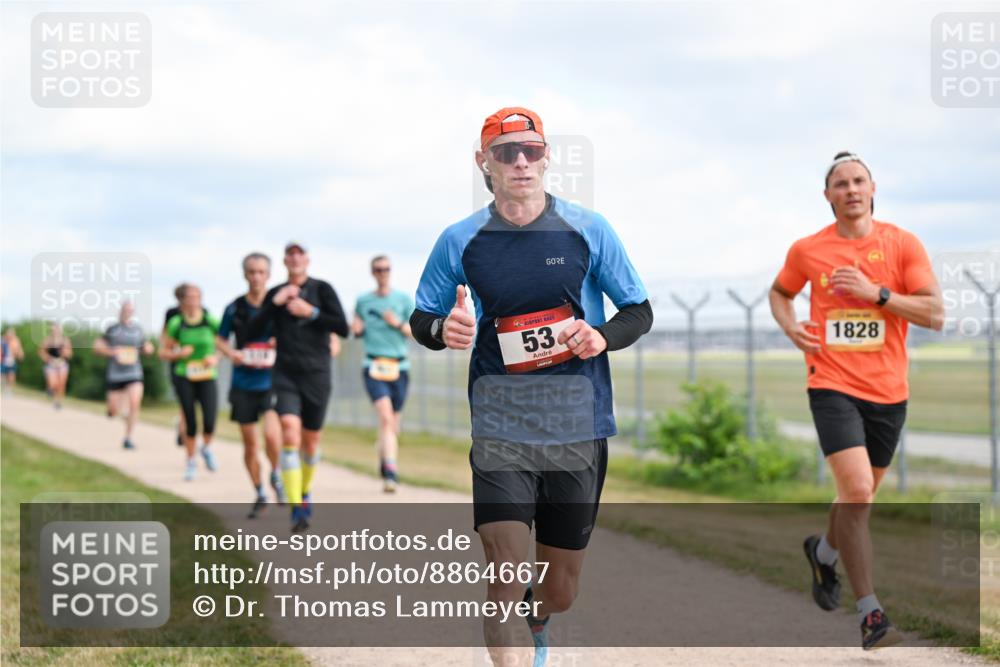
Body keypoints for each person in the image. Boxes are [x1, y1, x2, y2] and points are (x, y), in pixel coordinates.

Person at [410, 107, 652, 667]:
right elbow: (421, 316)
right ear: (483, 163)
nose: (521, 161)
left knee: (560, 589)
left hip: (577, 426)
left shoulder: (589, 229)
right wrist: (440, 328)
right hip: (499, 426)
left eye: (532, 151)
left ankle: (538, 616)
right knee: (504, 570)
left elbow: (638, 310)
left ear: (547, 158)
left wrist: (602, 336)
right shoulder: (460, 240)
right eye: (505, 152)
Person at [769, 151, 944, 651]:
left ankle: (823, 553)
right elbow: (780, 293)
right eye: (840, 183)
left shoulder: (901, 243)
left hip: (889, 392)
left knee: (856, 501)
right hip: (831, 383)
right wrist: (790, 326)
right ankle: (871, 614)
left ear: (872, 188)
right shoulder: (808, 250)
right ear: (828, 196)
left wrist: (878, 294)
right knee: (859, 489)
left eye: (858, 181)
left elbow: (935, 313)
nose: (850, 189)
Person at [244, 241, 349, 532]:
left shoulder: (322, 289)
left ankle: (304, 491)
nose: (294, 258)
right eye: (289, 254)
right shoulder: (275, 294)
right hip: (285, 374)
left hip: (317, 374)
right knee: (289, 431)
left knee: (311, 441)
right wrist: (274, 304)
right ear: (284, 261)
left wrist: (310, 312)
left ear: (307, 259)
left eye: (299, 253)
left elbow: (342, 327)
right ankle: (296, 506)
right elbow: (251, 333)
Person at [217, 252, 286, 518]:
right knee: (249, 444)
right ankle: (259, 491)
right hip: (243, 382)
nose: (256, 277)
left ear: (268, 275)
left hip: (271, 380)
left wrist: (279, 343)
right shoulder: (234, 308)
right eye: (252, 272)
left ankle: (276, 474)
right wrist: (230, 353)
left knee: (271, 435)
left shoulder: (278, 305)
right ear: (245, 274)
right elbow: (220, 339)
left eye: (261, 272)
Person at [352, 254, 415, 492]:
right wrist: (356, 329)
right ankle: (391, 472)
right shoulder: (363, 301)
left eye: (386, 269)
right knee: (386, 417)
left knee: (392, 424)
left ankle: (383, 458)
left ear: (391, 271)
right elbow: (356, 326)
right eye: (378, 269)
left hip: (399, 366)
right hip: (373, 365)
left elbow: (414, 332)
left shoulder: (403, 300)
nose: (382, 273)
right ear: (372, 272)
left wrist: (396, 323)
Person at [160, 284, 221, 481]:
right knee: (190, 420)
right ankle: (191, 461)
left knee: (210, 419)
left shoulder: (209, 319)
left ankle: (207, 448)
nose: (195, 300)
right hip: (184, 374)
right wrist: (179, 353)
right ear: (182, 301)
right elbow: (164, 351)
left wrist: (216, 357)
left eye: (198, 296)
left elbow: (223, 342)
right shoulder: (177, 322)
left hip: (206, 373)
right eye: (191, 297)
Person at [94, 302, 154, 450]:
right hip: (115, 374)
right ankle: (115, 411)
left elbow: (147, 346)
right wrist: (113, 352)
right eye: (125, 310)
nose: (127, 313)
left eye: (130, 310)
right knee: (114, 411)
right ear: (120, 311)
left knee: (134, 403)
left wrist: (147, 349)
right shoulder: (112, 329)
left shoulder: (137, 330)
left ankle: (128, 438)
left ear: (133, 312)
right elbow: (97, 347)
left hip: (134, 372)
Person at [39, 322, 72, 409]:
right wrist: (47, 358)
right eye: (53, 329)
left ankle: (58, 402)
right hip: (51, 364)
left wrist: (66, 353)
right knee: (53, 383)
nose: (55, 331)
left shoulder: (65, 340)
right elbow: (41, 351)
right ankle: (50, 390)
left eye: (57, 329)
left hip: (62, 364)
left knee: (61, 384)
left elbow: (70, 353)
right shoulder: (48, 340)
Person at [2, 327, 24, 392]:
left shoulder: (16, 341)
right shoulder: (3, 340)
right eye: (9, 333)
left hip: (12, 361)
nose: (10, 334)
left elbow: (20, 350)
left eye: (12, 333)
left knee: (11, 377)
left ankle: (8, 390)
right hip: (3, 361)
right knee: (2, 376)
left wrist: (20, 355)